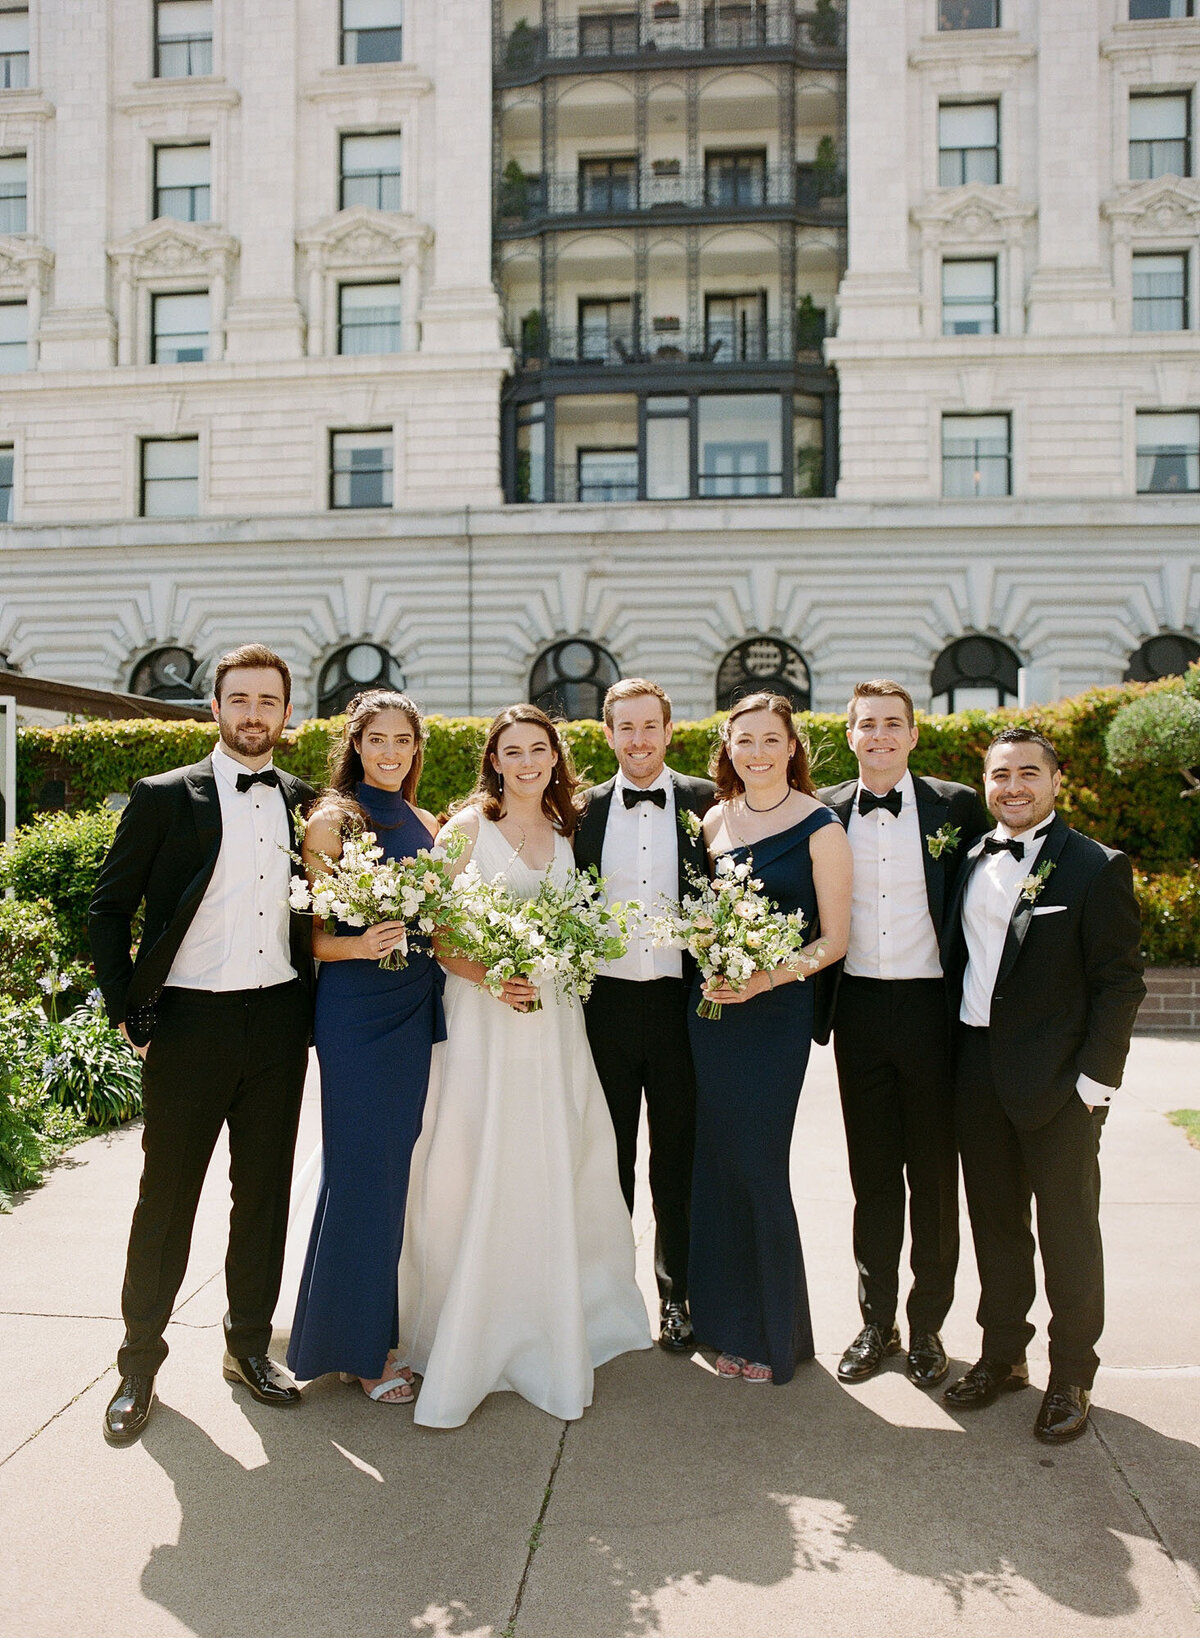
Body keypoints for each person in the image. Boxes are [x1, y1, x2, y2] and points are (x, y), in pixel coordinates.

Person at [395, 704, 650, 1427]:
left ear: (554, 757)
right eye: (513, 750)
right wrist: (489, 974)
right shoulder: (466, 829)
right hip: (486, 1020)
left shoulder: (569, 831)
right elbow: (436, 931)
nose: (527, 760)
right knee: (477, 1157)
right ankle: (470, 1320)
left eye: (539, 748)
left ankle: (558, 1315)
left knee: (557, 1156)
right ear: (495, 761)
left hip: (554, 1022)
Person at [89, 643, 315, 1445]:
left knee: (261, 1196)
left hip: (280, 1023)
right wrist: (128, 1009)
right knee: (167, 1198)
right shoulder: (161, 797)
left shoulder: (306, 802)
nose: (254, 714)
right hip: (188, 1024)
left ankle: (248, 1350)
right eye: (240, 699)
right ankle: (138, 1365)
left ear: (287, 714)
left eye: (268, 702)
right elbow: (108, 908)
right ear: (215, 707)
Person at [941, 727, 1145, 1443]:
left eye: (1029, 773)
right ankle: (1003, 1357)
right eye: (1001, 775)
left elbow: (1120, 984)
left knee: (1067, 1235)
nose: (1014, 787)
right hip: (975, 1075)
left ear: (1056, 781)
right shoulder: (968, 859)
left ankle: (1072, 1375)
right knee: (995, 1228)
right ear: (986, 784)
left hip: (1060, 1087)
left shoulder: (1095, 866)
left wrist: (1095, 1086)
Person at [816, 680, 990, 1389]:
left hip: (933, 1014)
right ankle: (875, 1321)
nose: (880, 736)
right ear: (850, 734)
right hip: (856, 1009)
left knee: (934, 1180)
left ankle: (927, 1329)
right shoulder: (823, 813)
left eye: (894, 724)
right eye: (867, 725)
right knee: (873, 1175)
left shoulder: (958, 807)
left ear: (914, 735)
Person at [688, 693, 852, 1385]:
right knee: (718, 1167)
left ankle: (774, 1334)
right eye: (742, 740)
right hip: (714, 1016)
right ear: (727, 748)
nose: (755, 752)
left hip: (774, 1016)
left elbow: (835, 940)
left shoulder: (822, 827)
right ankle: (723, 1324)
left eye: (769, 740)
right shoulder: (713, 822)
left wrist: (765, 980)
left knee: (758, 1166)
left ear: (792, 748)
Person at [285, 691, 442, 1405]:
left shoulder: (425, 820)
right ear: (355, 743)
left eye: (402, 740)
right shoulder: (332, 820)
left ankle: (350, 1335)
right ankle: (364, 1351)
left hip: (412, 1009)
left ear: (416, 747)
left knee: (386, 1173)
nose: (390, 751)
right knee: (359, 1173)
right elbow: (303, 936)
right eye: (376, 739)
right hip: (354, 1013)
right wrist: (357, 943)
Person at [574, 678, 715, 1353]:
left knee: (678, 1160)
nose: (638, 740)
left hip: (681, 1007)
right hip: (603, 1005)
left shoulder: (707, 805)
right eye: (624, 728)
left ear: (668, 730)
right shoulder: (580, 812)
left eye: (649, 727)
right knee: (608, 1159)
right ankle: (608, 1296)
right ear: (607, 734)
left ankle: (678, 1295)